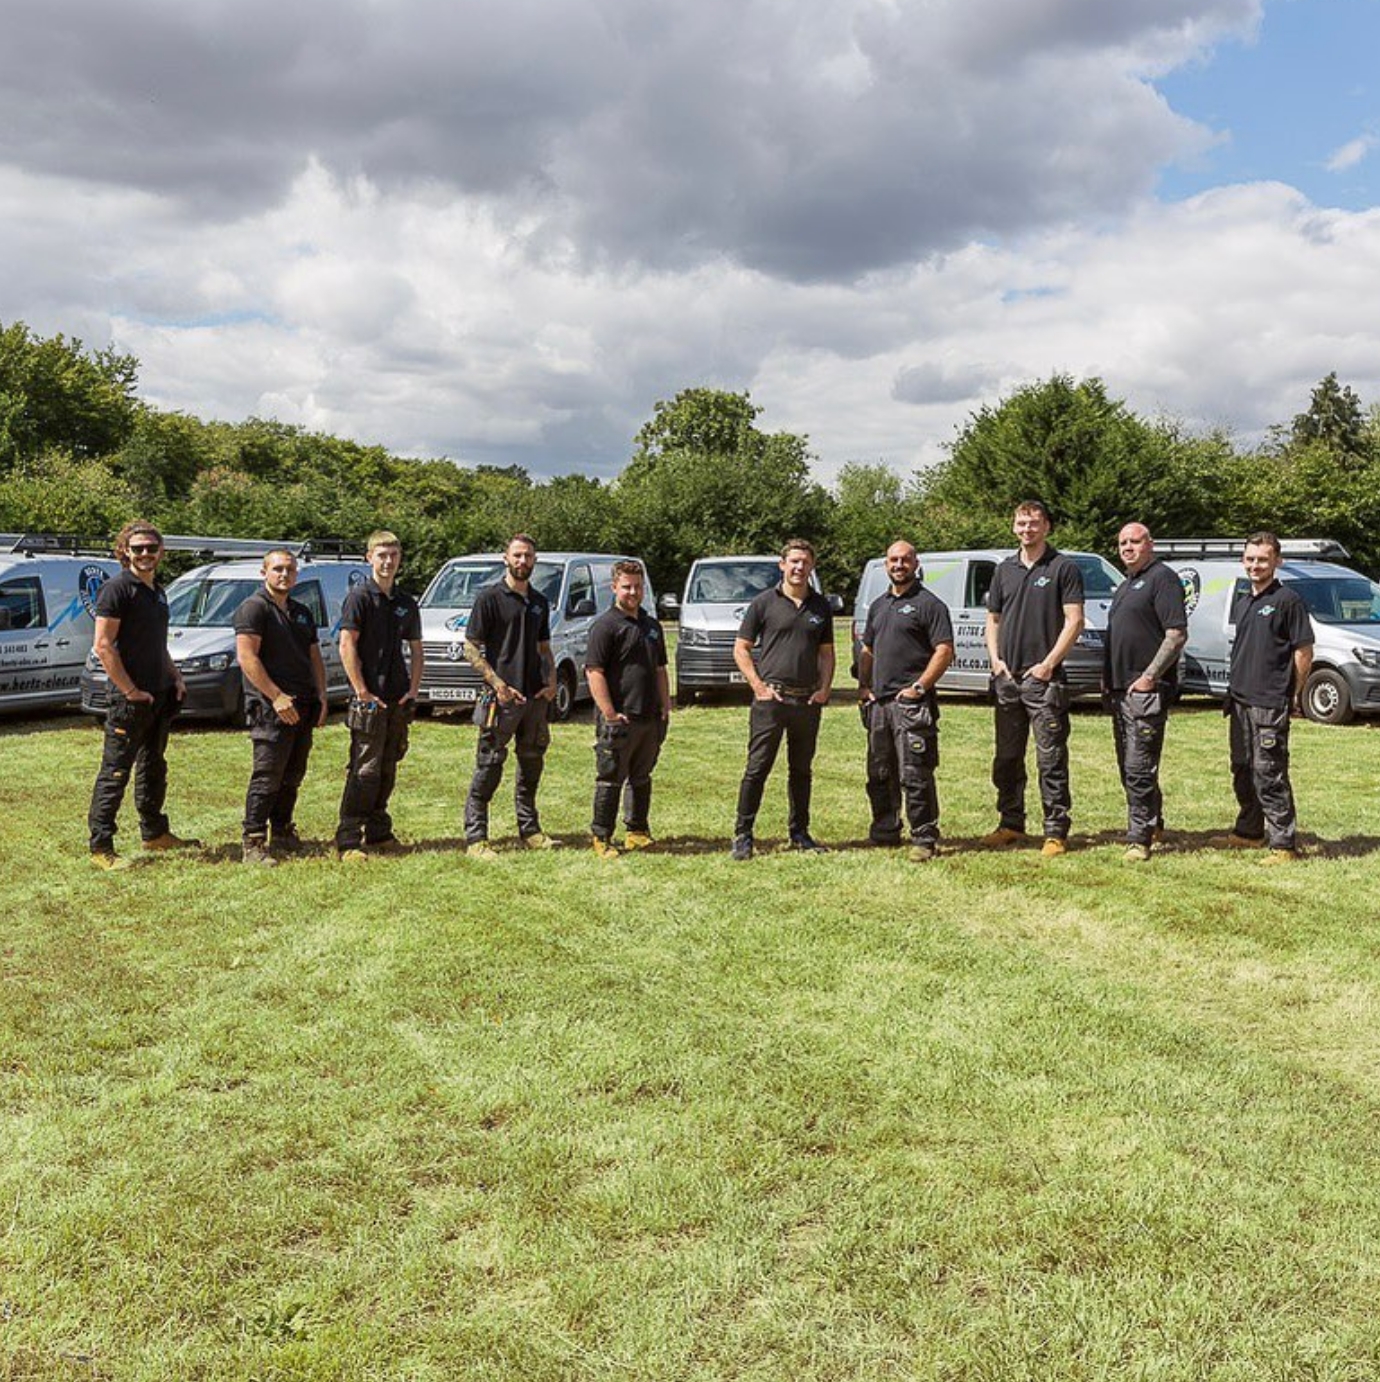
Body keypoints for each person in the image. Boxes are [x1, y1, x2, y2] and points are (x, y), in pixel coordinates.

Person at [87, 521, 198, 869]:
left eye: (151, 548)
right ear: (125, 551)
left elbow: (157, 645)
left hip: (159, 696)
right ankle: (101, 847)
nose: (145, 554)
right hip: (129, 702)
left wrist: (174, 676)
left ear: (161, 552)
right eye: (138, 549)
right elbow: (103, 646)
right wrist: (130, 690)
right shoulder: (117, 589)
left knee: (153, 767)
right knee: (115, 772)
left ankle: (154, 834)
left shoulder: (157, 591)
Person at [983, 500, 1085, 856]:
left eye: (1034, 523)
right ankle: (1011, 823)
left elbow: (1074, 620)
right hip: (1007, 679)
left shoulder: (1062, 568)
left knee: (1050, 758)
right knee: (1007, 758)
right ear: (1014, 527)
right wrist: (996, 661)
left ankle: (1055, 831)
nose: (1027, 529)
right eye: (1021, 523)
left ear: (1047, 527)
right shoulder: (1004, 570)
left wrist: (1048, 664)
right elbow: (993, 619)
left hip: (1044, 681)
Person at [730, 539, 835, 859]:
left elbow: (827, 654)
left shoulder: (820, 607)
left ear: (812, 566)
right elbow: (741, 648)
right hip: (771, 701)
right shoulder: (763, 603)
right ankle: (743, 834)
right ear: (782, 565)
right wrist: (759, 687)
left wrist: (825, 688)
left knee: (801, 770)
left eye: (805, 562)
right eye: (793, 561)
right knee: (757, 768)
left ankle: (800, 833)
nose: (799, 567)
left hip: (806, 703)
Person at [1212, 531, 1313, 863]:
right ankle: (1249, 831)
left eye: (1263, 559)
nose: (1256, 565)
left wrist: (1293, 694)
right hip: (1239, 700)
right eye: (1251, 559)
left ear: (1277, 562)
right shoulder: (1245, 600)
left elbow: (1303, 652)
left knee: (1269, 771)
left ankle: (1283, 843)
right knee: (1242, 769)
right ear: (1243, 560)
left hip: (1269, 703)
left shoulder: (1288, 601)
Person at [857, 541, 955, 862]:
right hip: (880, 705)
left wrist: (919, 686)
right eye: (893, 560)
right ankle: (885, 830)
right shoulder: (879, 605)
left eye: (905, 560)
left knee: (915, 772)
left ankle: (924, 837)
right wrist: (863, 686)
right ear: (886, 565)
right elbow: (868, 650)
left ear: (916, 563)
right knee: (879, 771)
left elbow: (944, 650)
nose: (899, 565)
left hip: (912, 705)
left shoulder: (930, 604)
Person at [462, 534, 558, 857]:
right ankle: (477, 838)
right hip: (499, 701)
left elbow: (544, 648)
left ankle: (529, 830)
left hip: (533, 701)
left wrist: (552, 680)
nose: (522, 561)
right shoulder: (489, 599)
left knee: (531, 766)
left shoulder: (539, 602)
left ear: (535, 560)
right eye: (517, 555)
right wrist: (497, 684)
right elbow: (470, 647)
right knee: (489, 766)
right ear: (505, 558)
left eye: (528, 556)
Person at [233, 549, 327, 866]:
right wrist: (275, 696)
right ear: (264, 573)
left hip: (303, 704)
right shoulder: (253, 609)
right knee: (267, 775)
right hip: (270, 707)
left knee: (292, 774)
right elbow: (247, 657)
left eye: (289, 570)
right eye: (277, 569)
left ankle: (283, 831)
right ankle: (254, 841)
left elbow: (314, 655)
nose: (284, 575)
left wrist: (322, 696)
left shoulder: (301, 611)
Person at [335, 531, 424, 860]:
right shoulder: (359, 597)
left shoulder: (405, 602)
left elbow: (416, 649)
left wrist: (413, 690)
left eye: (393, 555)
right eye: (381, 555)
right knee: (365, 769)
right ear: (369, 558)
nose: (388, 561)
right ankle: (348, 839)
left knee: (388, 767)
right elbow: (347, 645)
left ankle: (378, 833)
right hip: (368, 699)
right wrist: (361, 691)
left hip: (397, 698)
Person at [1104, 523, 1188, 862]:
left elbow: (1176, 634)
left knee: (1139, 766)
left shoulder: (1162, 578)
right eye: (1123, 542)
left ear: (1149, 544)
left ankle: (1139, 838)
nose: (1128, 547)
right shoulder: (1126, 584)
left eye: (1135, 541)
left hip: (1144, 693)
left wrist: (1151, 676)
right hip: (1119, 690)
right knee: (1128, 766)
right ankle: (1153, 823)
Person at [584, 561, 671, 858]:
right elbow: (594, 672)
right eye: (626, 586)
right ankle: (602, 837)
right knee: (610, 778)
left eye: (637, 586)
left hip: (649, 717)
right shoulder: (605, 626)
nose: (632, 592)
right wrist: (609, 713)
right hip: (618, 719)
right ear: (614, 588)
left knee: (641, 777)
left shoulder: (651, 625)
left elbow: (660, 668)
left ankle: (637, 831)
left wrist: (665, 705)